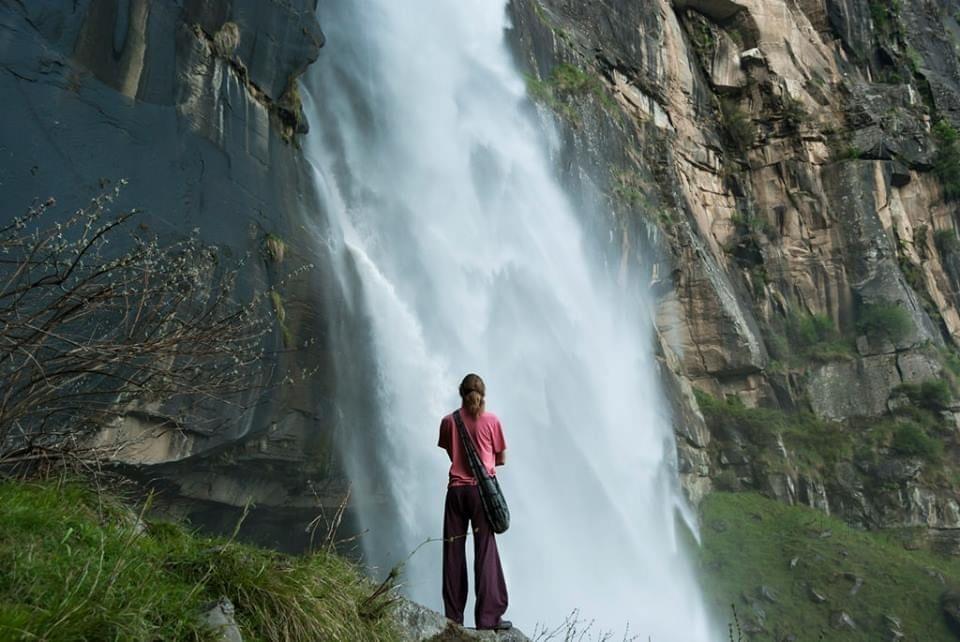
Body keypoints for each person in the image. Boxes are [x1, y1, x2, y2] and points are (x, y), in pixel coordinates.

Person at [437, 373, 511, 631]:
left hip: (456, 493)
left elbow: (450, 453)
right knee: (485, 552)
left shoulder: (448, 421)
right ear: (483, 395)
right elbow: (500, 459)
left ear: (461, 393)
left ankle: (453, 619)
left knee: (453, 553)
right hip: (481, 494)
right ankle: (488, 619)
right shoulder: (492, 421)